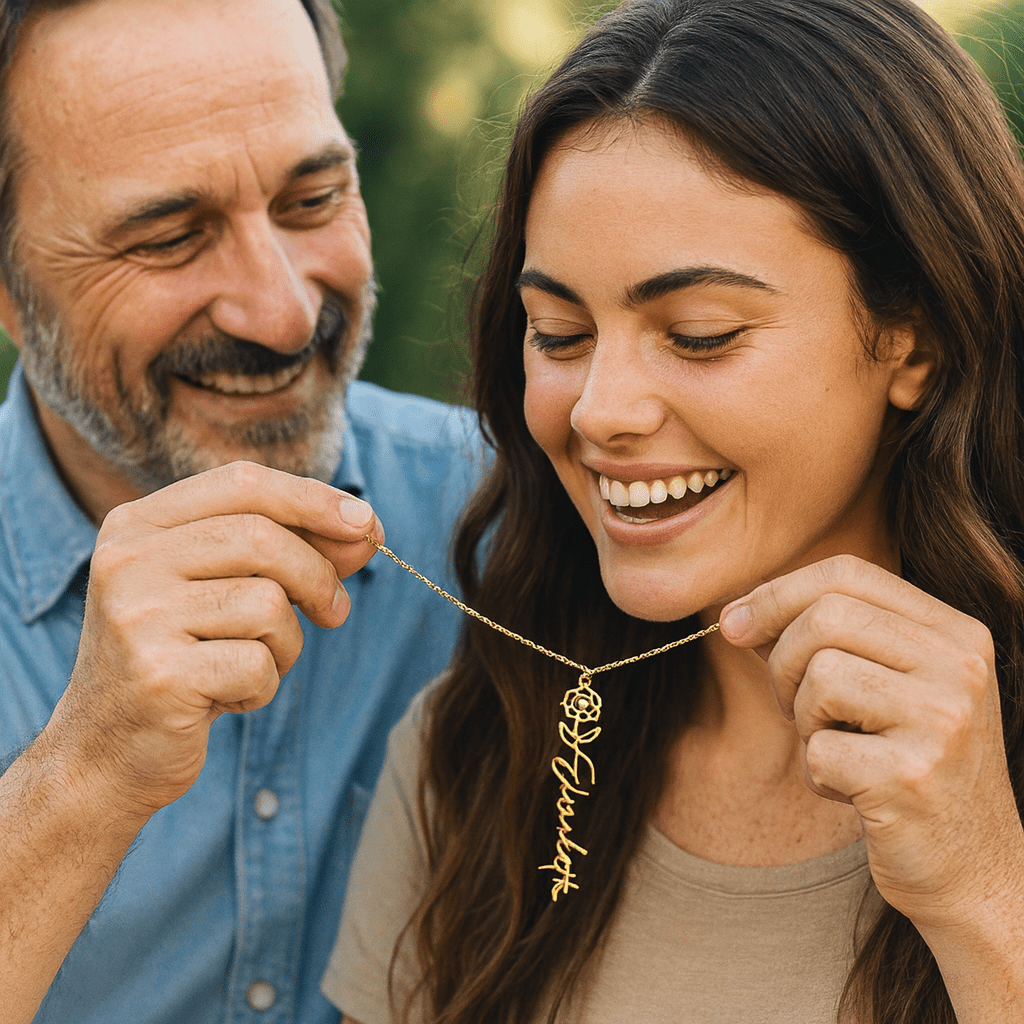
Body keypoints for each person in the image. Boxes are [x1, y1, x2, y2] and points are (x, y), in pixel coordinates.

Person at [324, 0, 1024, 1021]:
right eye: (558, 333)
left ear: (910, 339)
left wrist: (983, 892)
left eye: (697, 334)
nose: (601, 411)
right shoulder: (477, 750)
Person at [0, 0, 480, 1022]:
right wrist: (84, 772)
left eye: (312, 200)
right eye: (171, 238)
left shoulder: (517, 521)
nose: (283, 312)